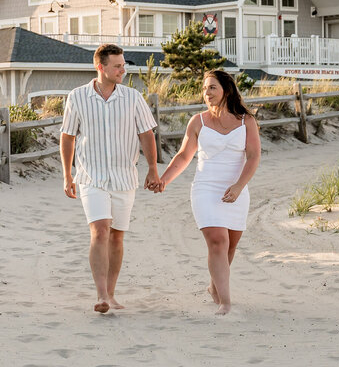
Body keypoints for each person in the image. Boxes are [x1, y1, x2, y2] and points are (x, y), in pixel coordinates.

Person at [61, 44, 159, 314]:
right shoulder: (77, 97)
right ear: (100, 67)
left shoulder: (132, 97)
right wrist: (67, 174)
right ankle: (101, 295)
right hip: (90, 177)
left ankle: (112, 293)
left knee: (116, 237)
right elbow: (68, 136)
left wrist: (152, 168)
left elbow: (147, 134)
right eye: (117, 66)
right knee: (100, 230)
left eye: (123, 65)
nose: (122, 70)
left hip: (124, 177)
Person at [155, 70, 261, 315]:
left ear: (226, 90)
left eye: (212, 87)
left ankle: (215, 287)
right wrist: (164, 180)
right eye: (205, 89)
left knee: (230, 246)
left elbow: (254, 157)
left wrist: (238, 186)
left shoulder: (247, 121)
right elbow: (183, 156)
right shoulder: (198, 122)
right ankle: (225, 301)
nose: (207, 93)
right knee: (218, 241)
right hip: (206, 188)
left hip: (236, 189)